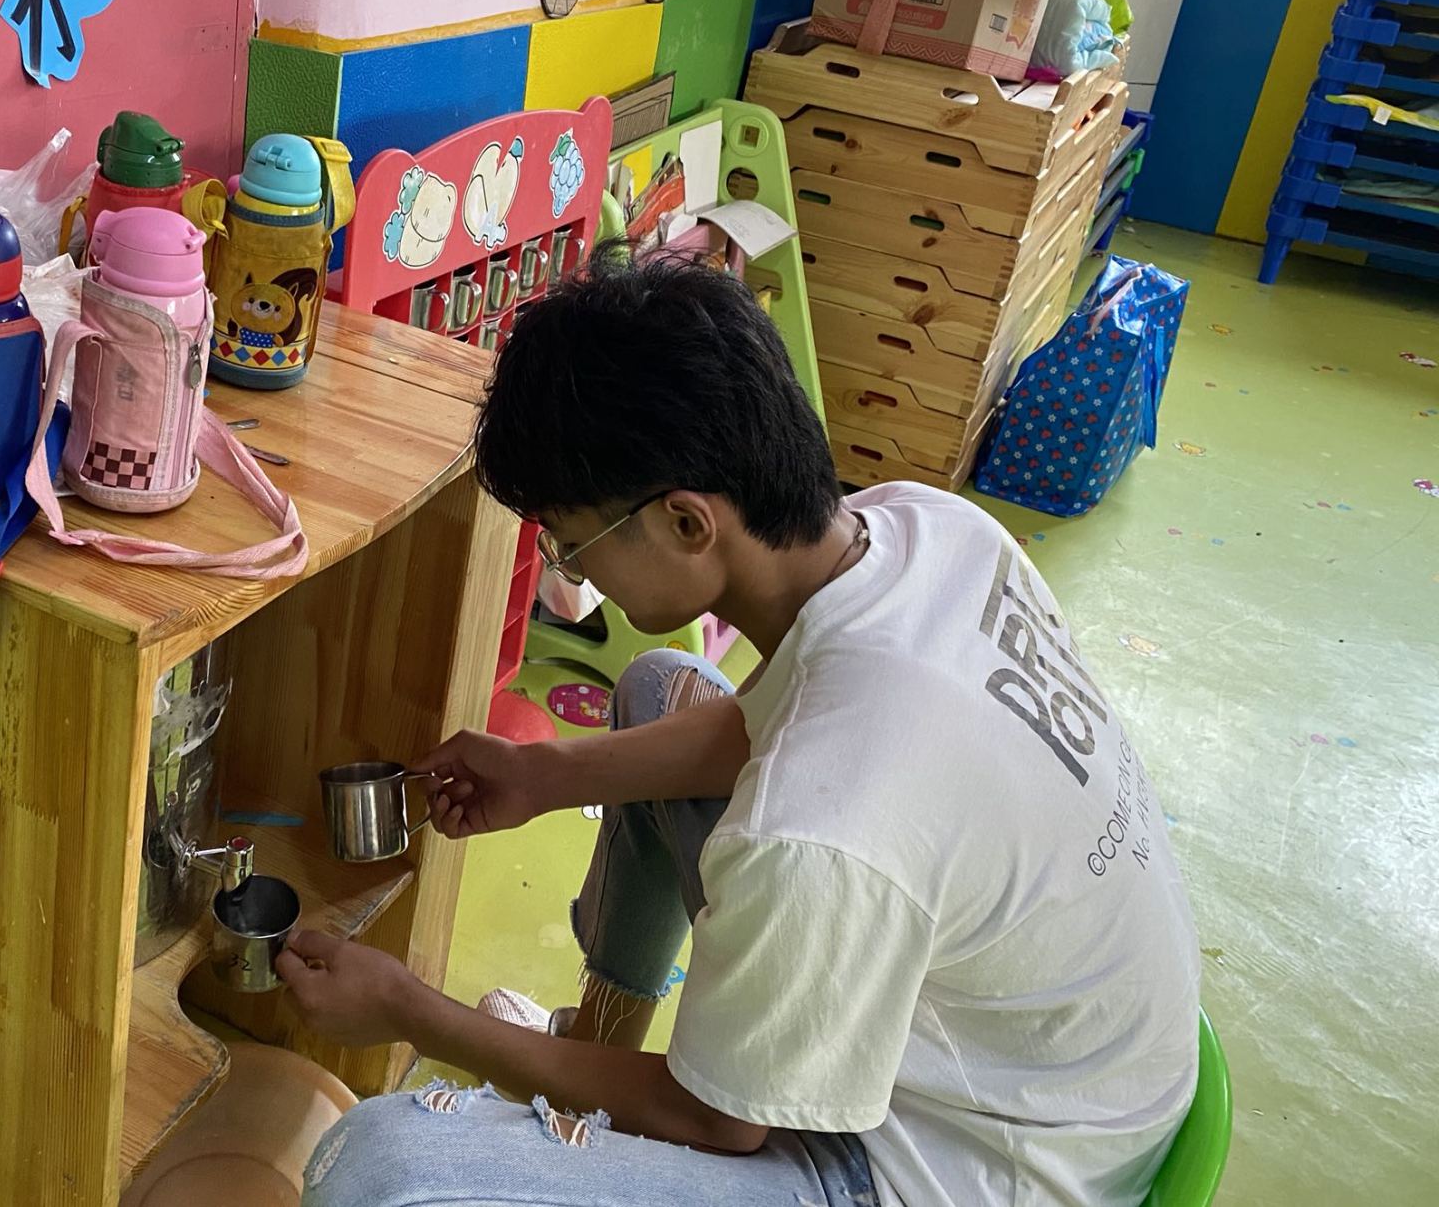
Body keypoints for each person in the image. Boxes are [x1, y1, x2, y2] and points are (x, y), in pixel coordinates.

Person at [277, 249, 1200, 1207]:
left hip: (973, 1168)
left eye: (574, 545)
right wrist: (542, 773)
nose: (572, 573)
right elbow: (764, 729)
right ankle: (596, 1041)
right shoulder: (929, 528)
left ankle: (567, 1099)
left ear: (687, 523)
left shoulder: (817, 828)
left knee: (381, 1166)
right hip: (1073, 1070)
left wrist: (413, 1012)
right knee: (660, 686)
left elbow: (716, 1123)